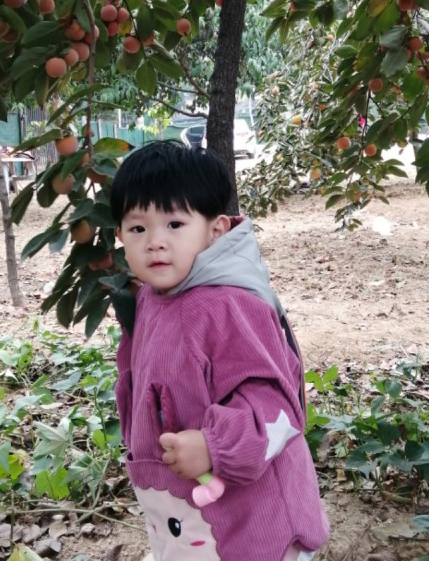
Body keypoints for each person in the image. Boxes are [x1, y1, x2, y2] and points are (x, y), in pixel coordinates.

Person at [110, 141, 329, 561]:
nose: (155, 242)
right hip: (186, 511)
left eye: (175, 224)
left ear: (216, 231)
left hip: (255, 523)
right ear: (119, 235)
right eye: (138, 229)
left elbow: (276, 410)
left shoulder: (229, 306)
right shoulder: (150, 299)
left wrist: (215, 446)